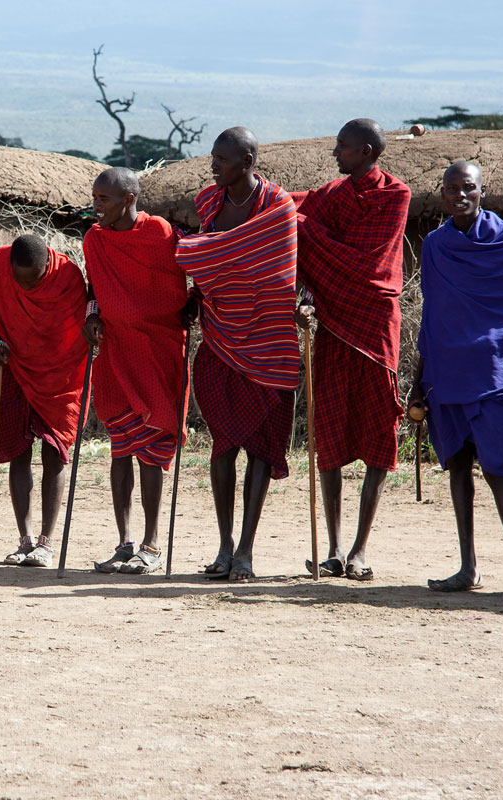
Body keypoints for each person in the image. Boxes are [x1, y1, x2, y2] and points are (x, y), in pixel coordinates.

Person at [410, 160, 503, 599]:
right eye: (451, 189)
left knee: (495, 468)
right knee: (457, 466)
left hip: (493, 373)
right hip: (448, 373)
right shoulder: (435, 245)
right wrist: (419, 377)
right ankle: (467, 567)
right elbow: (432, 315)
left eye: (467, 187)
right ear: (443, 195)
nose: (459, 195)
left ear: (482, 191)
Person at [176, 127, 300, 582]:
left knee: (261, 448)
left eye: (223, 159)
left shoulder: (277, 208)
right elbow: (214, 266)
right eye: (213, 157)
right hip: (218, 342)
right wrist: (197, 287)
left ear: (247, 161)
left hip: (269, 344)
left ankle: (247, 549)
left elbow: (248, 260)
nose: (214, 165)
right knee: (223, 445)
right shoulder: (209, 205)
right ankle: (225, 544)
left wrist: (196, 254)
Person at [293, 118, 410, 581]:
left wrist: (305, 228)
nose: (334, 153)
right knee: (331, 431)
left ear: (365, 151)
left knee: (379, 430)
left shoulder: (394, 196)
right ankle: (335, 548)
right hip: (334, 327)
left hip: (375, 326)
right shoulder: (330, 195)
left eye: (341, 147)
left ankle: (361, 548)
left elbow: (365, 262)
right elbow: (293, 212)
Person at [83, 167, 189, 575]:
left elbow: (186, 280)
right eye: (94, 198)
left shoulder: (161, 234)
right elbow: (95, 287)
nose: (96, 206)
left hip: (158, 352)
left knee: (151, 450)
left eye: (104, 200)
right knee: (122, 446)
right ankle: (125, 543)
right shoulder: (95, 239)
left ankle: (152, 543)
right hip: (115, 353)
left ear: (128, 199)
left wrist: (192, 303)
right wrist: (93, 315)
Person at [0, 233, 88, 567]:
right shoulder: (0, 264)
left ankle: (46, 541)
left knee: (54, 453)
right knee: (18, 451)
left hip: (59, 375)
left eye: (32, 280)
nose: (25, 288)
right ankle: (25, 538)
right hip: (14, 366)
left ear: (48, 263)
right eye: (19, 281)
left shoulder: (68, 276)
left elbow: (78, 328)